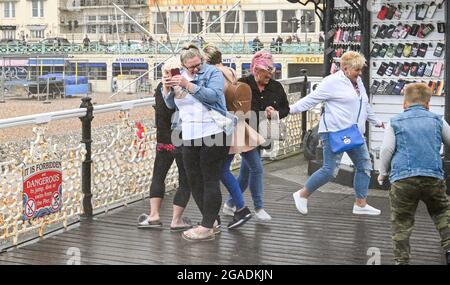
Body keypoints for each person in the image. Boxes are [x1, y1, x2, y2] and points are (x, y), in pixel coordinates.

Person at [286, 51, 385, 216]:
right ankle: (302, 194)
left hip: (354, 133)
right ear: (345, 68)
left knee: (365, 166)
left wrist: (376, 121)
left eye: (361, 69)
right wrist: (288, 110)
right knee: (330, 170)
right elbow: (312, 99)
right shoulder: (331, 82)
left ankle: (360, 204)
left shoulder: (358, 81)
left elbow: (365, 104)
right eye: (357, 70)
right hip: (333, 131)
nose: (360, 73)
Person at [162, 45, 235, 241]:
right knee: (194, 180)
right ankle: (212, 221)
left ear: (202, 60)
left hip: (214, 131)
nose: (196, 69)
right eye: (191, 66)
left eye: (198, 64)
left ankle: (205, 227)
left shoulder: (213, 73)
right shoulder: (180, 77)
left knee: (210, 178)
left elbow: (212, 95)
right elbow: (171, 105)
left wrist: (188, 84)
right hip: (189, 133)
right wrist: (167, 88)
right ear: (183, 65)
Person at [378, 83, 450, 265]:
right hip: (433, 177)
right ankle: (449, 247)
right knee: (441, 212)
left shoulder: (395, 122)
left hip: (403, 179)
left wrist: (382, 172)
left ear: (404, 103)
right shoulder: (437, 120)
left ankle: (401, 260)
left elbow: (386, 149)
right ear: (428, 104)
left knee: (401, 220)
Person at [223, 50, 289, 222]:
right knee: (256, 168)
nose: (269, 77)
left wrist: (274, 113)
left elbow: (285, 109)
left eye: (270, 74)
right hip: (243, 132)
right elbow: (231, 106)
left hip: (263, 134)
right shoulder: (243, 84)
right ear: (256, 70)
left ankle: (230, 204)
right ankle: (258, 207)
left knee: (246, 173)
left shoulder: (276, 87)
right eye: (265, 74)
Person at [203, 45, 261, 229]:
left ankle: (239, 207)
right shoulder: (230, 72)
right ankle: (236, 206)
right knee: (242, 166)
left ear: (206, 60)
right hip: (238, 122)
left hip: (223, 125)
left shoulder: (214, 74)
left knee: (222, 170)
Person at [137, 57, 192, 232]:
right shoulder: (186, 89)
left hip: (163, 140)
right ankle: (176, 220)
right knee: (185, 181)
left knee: (158, 176)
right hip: (182, 140)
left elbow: (162, 112)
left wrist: (165, 86)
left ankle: (154, 215)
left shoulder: (160, 89)